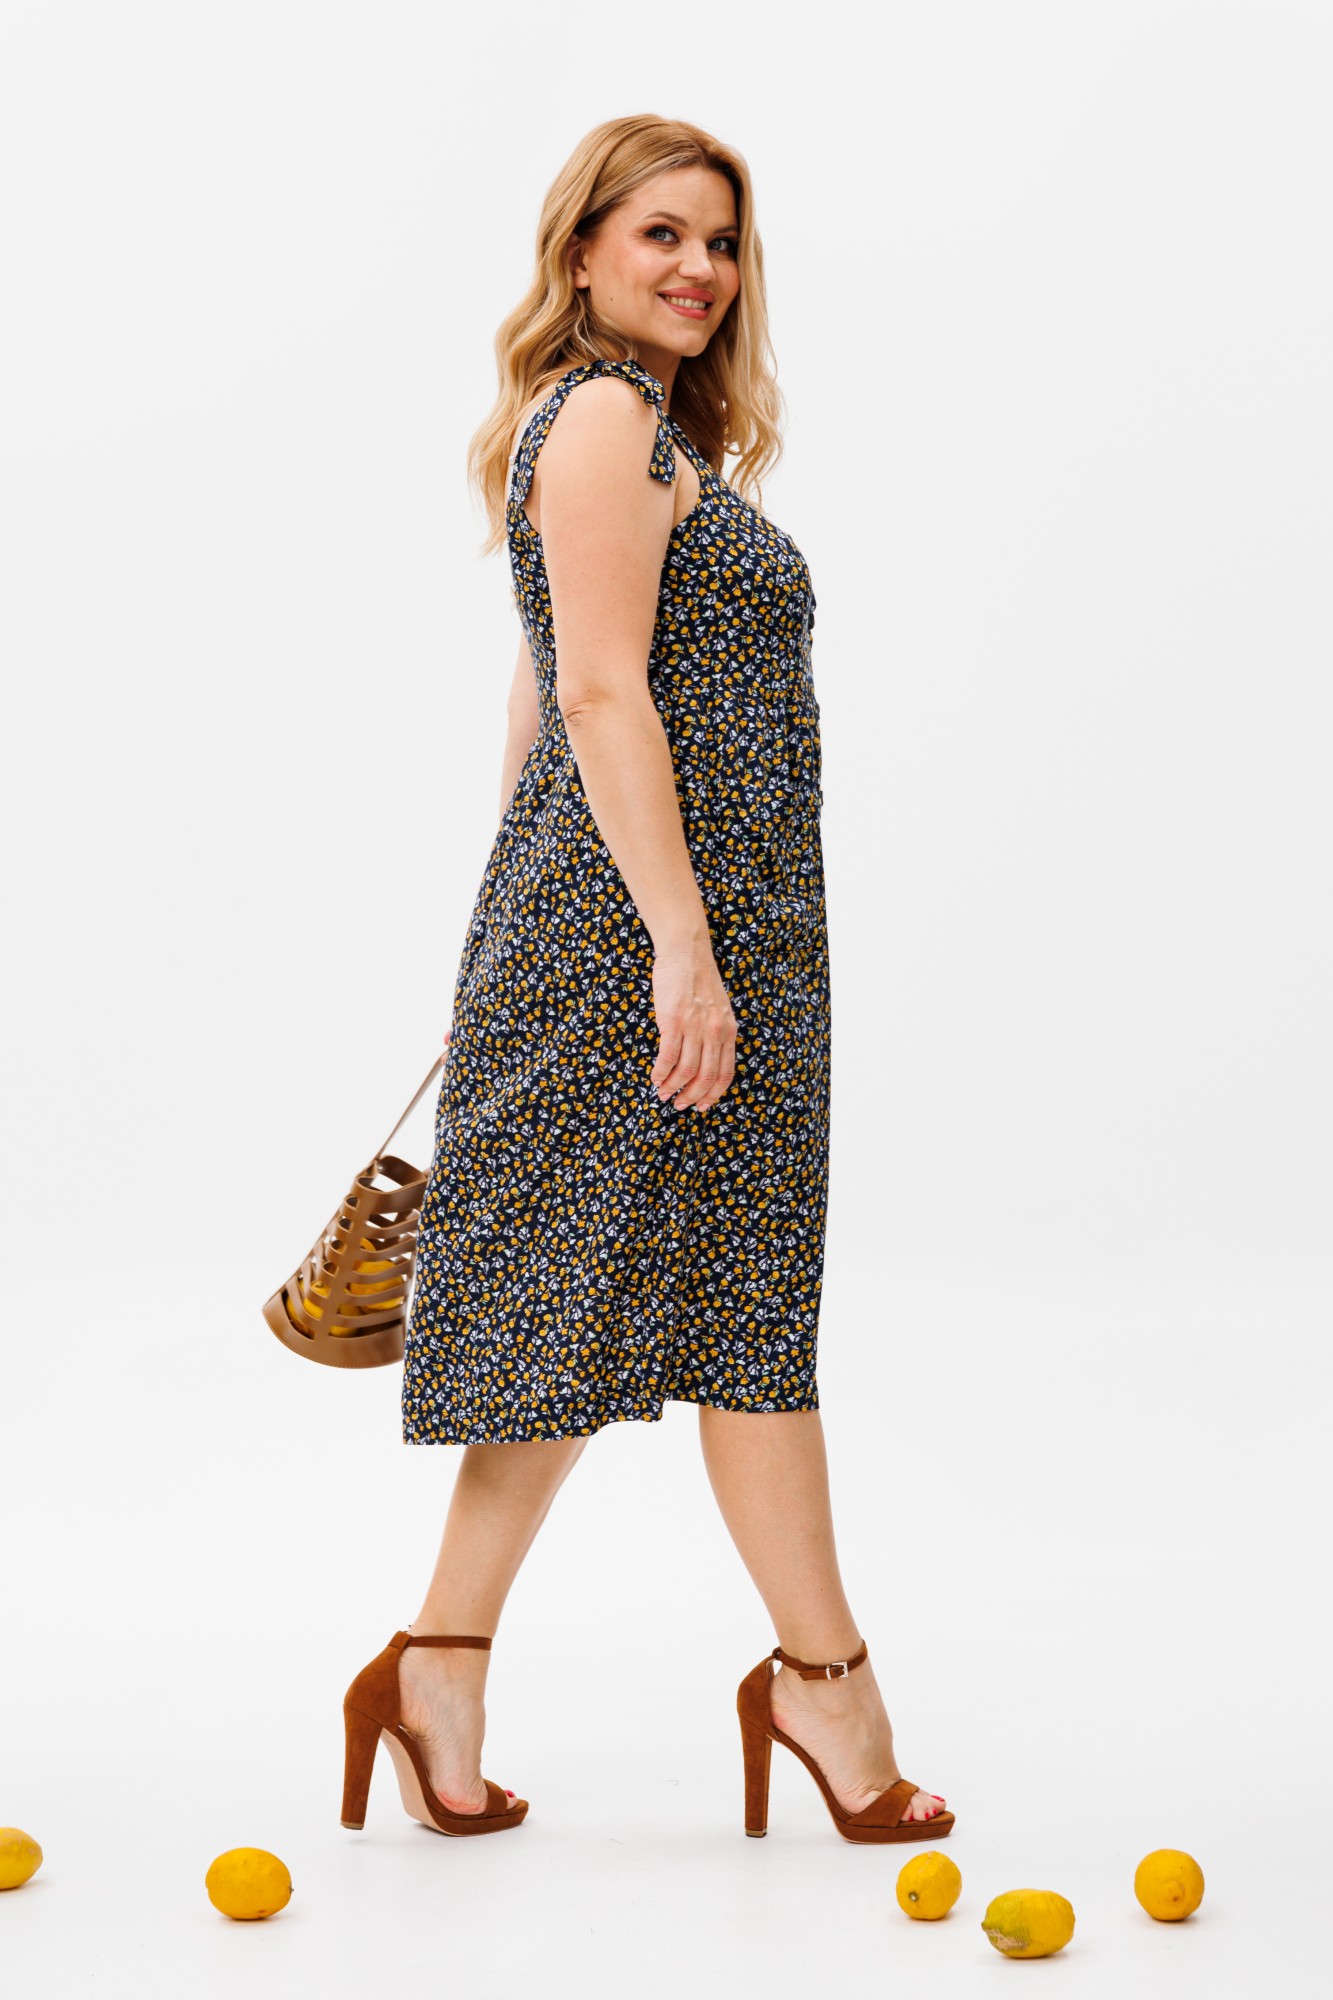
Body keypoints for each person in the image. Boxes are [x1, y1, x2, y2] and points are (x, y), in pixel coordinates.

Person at [340, 115, 953, 1846]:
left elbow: (535, 699)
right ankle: (824, 1688)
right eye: (662, 233)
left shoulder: (653, 437)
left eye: (723, 241)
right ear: (584, 251)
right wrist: (672, 948)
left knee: (622, 1310)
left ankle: (437, 1665)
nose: (699, 268)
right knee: (711, 1314)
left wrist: (520, 933)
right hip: (654, 943)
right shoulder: (604, 417)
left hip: (684, 934)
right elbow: (598, 696)